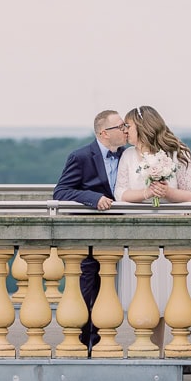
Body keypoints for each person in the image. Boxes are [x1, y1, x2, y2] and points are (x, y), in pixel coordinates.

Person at [113, 105, 191, 349]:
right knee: (145, 292)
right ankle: (149, 349)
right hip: (139, 232)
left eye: (127, 126)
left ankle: (175, 348)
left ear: (142, 126)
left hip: (171, 233)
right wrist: (145, 193)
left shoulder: (177, 153)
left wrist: (169, 193)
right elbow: (119, 193)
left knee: (170, 291)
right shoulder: (128, 156)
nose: (124, 130)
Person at [53, 109, 128, 353]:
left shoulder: (130, 156)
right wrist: (92, 198)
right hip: (92, 239)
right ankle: (86, 344)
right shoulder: (81, 156)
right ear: (104, 133)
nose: (126, 129)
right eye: (121, 126)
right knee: (89, 289)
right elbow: (61, 192)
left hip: (127, 235)